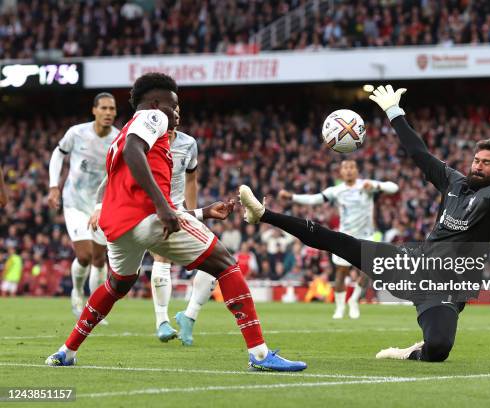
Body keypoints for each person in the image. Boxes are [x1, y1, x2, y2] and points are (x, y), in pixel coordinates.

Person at [238, 84, 490, 362]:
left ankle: (410, 352)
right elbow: (418, 153)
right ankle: (263, 214)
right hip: (413, 265)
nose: (478, 165)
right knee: (339, 241)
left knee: (439, 349)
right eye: (476, 159)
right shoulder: (454, 182)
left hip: (447, 287)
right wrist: (395, 111)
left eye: (486, 163)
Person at [45, 72, 306, 371]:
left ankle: (67, 350)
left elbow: (132, 178)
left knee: (116, 285)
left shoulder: (121, 135)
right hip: (148, 217)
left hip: (119, 228)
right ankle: (260, 355)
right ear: (157, 103)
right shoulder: (152, 118)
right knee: (226, 265)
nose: (177, 112)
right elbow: (135, 152)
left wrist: (202, 213)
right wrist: (161, 205)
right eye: (174, 104)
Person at [89, 105, 217, 346]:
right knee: (161, 260)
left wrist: (194, 213)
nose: (176, 113)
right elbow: (112, 176)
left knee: (214, 263)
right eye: (172, 108)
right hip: (152, 209)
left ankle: (189, 316)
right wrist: (98, 207)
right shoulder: (144, 135)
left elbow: (191, 179)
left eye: (179, 109)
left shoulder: (188, 144)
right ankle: (162, 321)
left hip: (178, 207)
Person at [278, 160, 398, 319]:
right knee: (341, 272)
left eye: (352, 167)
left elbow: (394, 188)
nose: (349, 171)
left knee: (367, 271)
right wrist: (291, 196)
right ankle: (340, 307)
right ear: (341, 173)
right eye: (345, 168)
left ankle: (354, 301)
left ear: (357, 170)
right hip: (344, 236)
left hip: (366, 236)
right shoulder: (337, 190)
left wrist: (377, 187)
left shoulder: (366, 185)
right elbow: (314, 199)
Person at [47, 93, 119, 318]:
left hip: (102, 206)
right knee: (85, 255)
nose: (108, 113)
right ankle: (77, 293)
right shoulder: (77, 133)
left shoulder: (119, 139)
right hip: (75, 202)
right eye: (104, 108)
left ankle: (93, 308)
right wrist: (53, 186)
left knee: (99, 259)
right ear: (94, 110)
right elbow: (58, 155)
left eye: (112, 109)